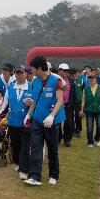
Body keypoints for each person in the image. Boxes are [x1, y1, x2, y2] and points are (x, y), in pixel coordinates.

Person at [24, 56, 65, 186]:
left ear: (40, 69)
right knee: (36, 147)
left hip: (51, 121)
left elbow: (60, 100)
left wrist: (52, 116)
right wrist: (29, 115)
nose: (32, 72)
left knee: (52, 148)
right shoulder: (35, 81)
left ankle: (54, 175)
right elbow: (35, 100)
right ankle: (35, 177)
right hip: (37, 119)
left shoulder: (56, 81)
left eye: (33, 69)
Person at [6, 66, 33, 180]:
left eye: (21, 73)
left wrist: (31, 103)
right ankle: (17, 163)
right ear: (15, 74)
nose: (19, 75)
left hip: (26, 121)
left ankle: (24, 169)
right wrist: (0, 114)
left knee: (25, 145)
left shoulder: (32, 86)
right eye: (17, 73)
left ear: (26, 74)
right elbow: (5, 102)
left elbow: (36, 101)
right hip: (13, 121)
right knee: (15, 144)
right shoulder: (10, 86)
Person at [80, 73, 100, 147]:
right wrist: (81, 110)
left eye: (93, 78)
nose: (91, 79)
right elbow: (83, 100)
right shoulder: (85, 89)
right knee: (89, 127)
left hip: (99, 110)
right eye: (90, 78)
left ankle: (97, 138)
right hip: (89, 110)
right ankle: (90, 142)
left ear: (96, 79)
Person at [57, 63, 75, 147]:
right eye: (64, 71)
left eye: (67, 71)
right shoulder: (55, 79)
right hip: (57, 105)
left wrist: (73, 104)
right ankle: (58, 138)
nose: (66, 72)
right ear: (59, 70)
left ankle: (67, 140)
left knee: (68, 123)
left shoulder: (71, 81)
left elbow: (73, 94)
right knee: (57, 123)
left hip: (67, 105)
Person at [71, 68, 85, 137]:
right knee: (70, 117)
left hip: (78, 101)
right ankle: (72, 130)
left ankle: (78, 130)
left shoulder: (81, 81)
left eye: (78, 73)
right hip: (70, 101)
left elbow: (83, 91)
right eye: (75, 74)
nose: (76, 75)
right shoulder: (69, 81)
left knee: (78, 116)